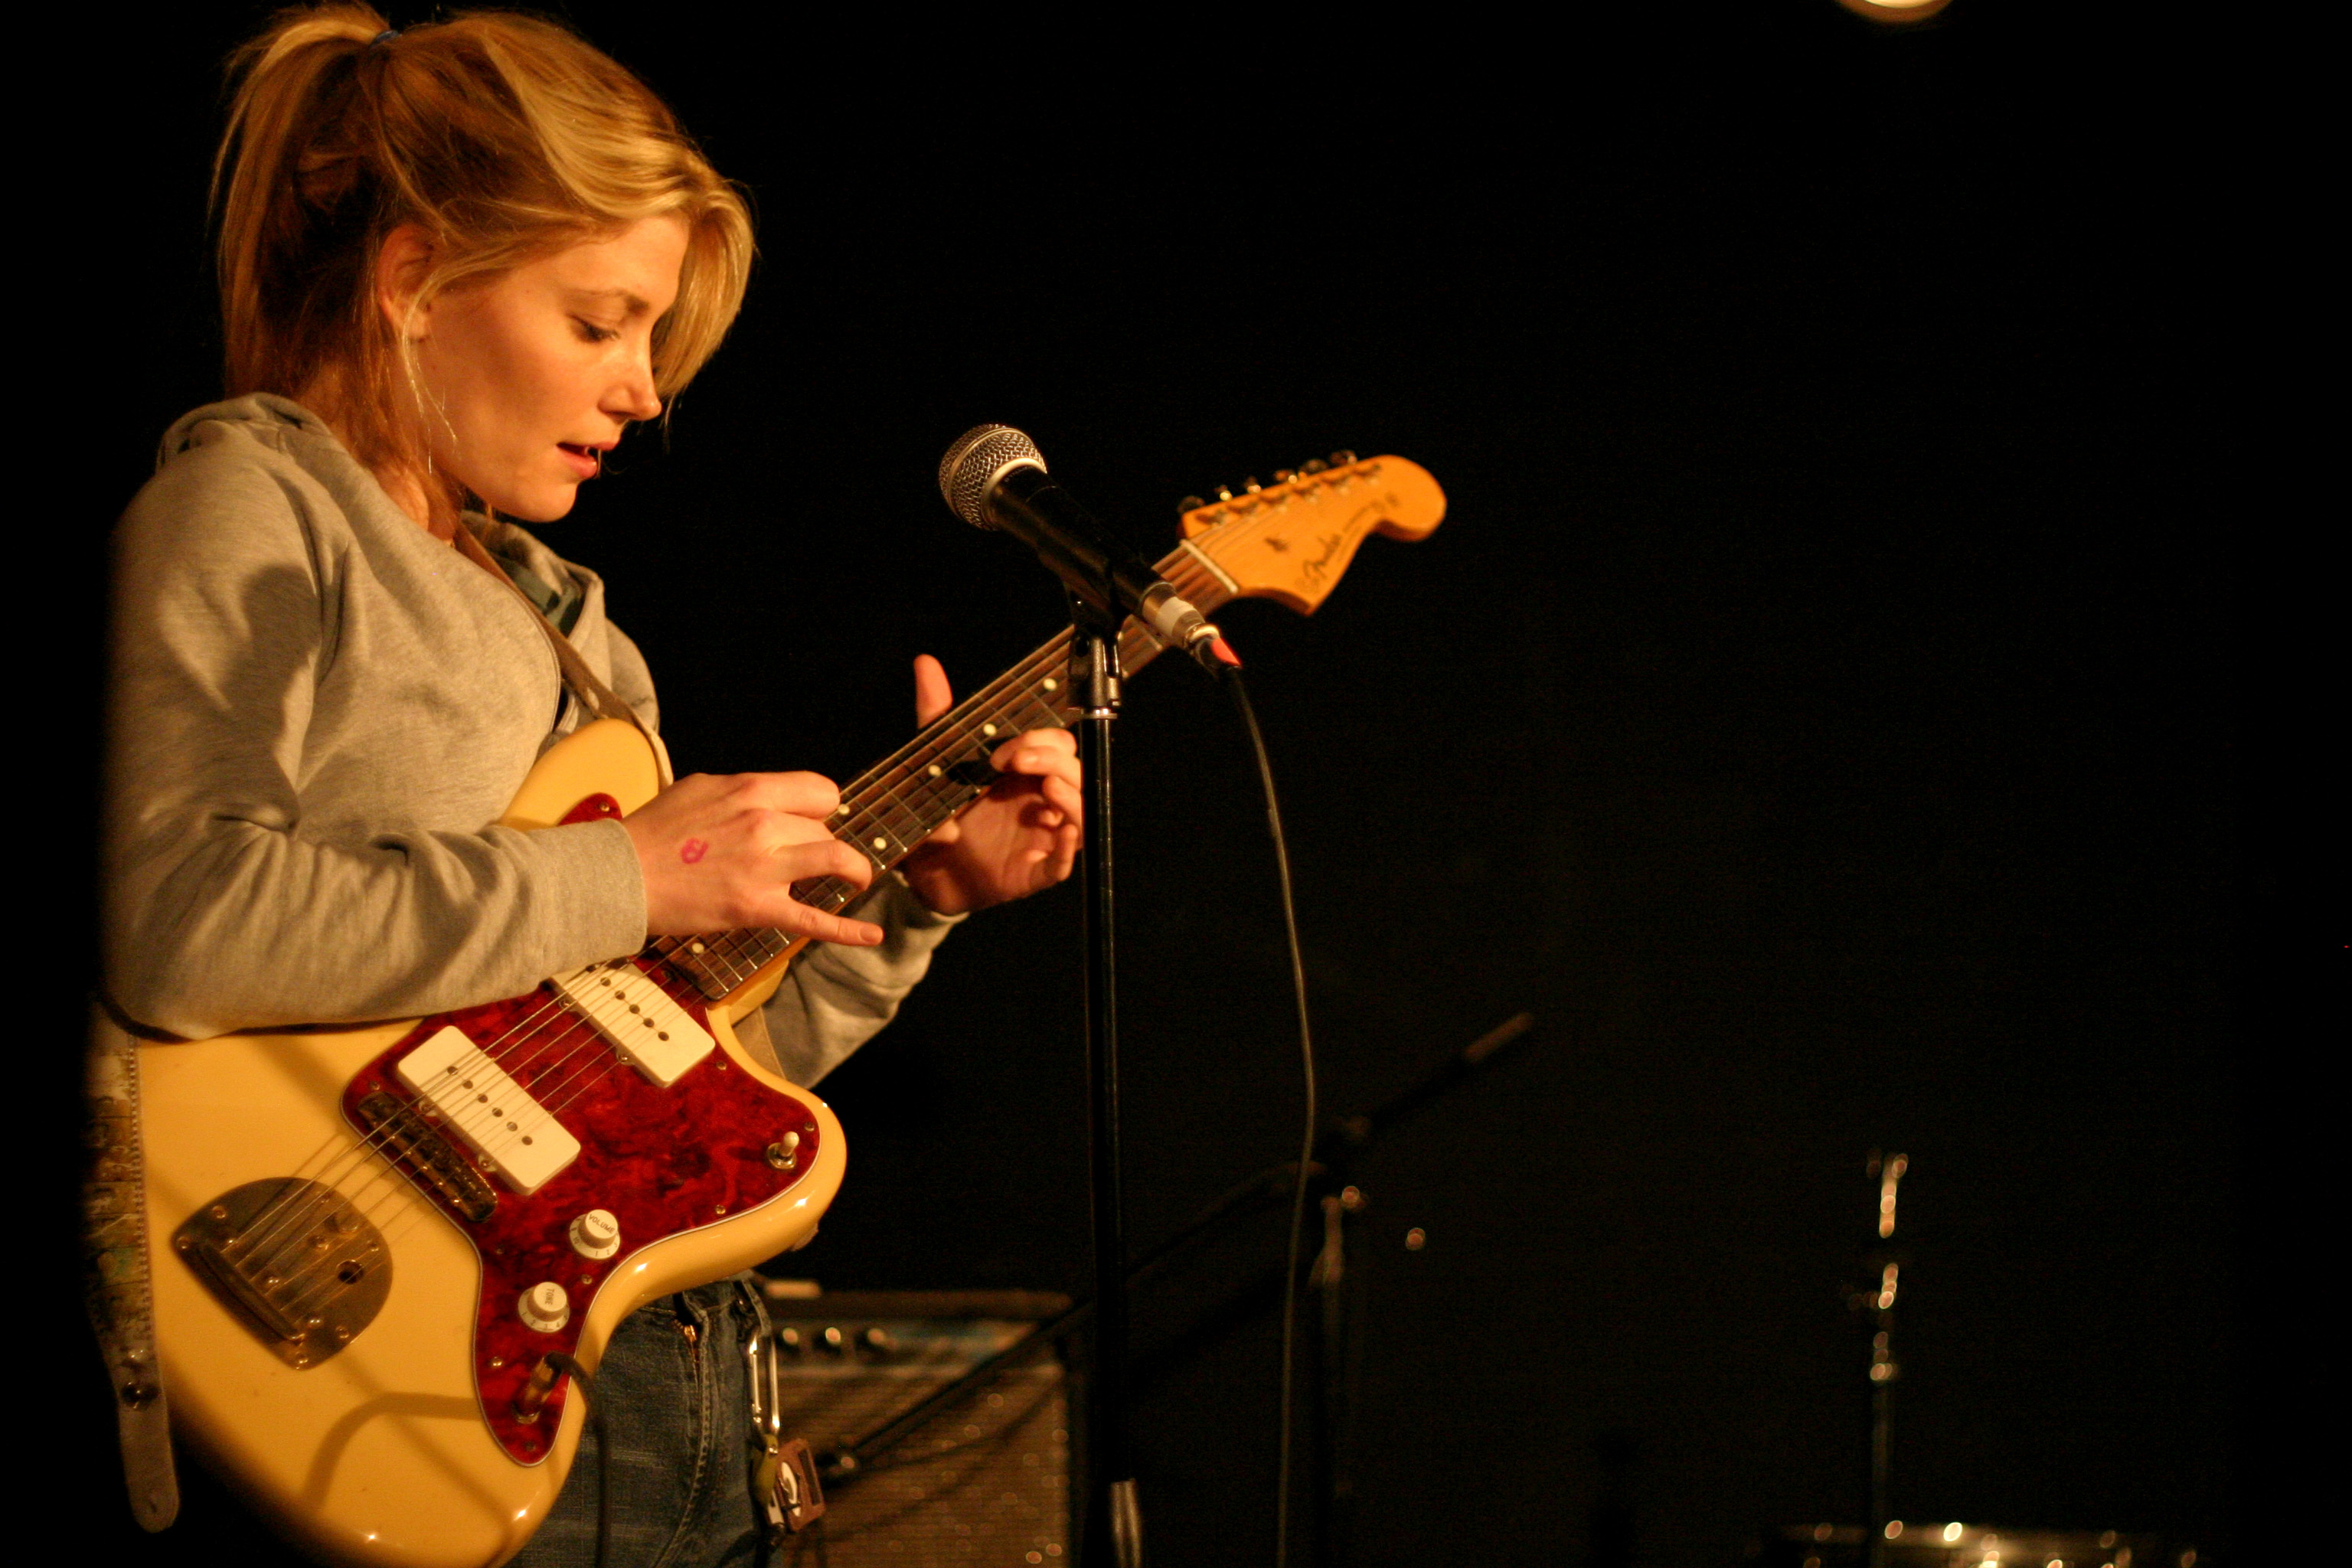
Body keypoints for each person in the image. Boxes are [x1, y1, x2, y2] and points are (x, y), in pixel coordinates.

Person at [103, 7, 1081, 1563]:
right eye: (602, 322)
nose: (646, 391)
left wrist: (921, 900)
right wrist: (632, 871)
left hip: (631, 1401)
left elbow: (651, 1083)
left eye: (655, 341)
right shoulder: (256, 503)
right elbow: (181, 917)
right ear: (416, 278)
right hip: (365, 1350)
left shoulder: (576, 631)